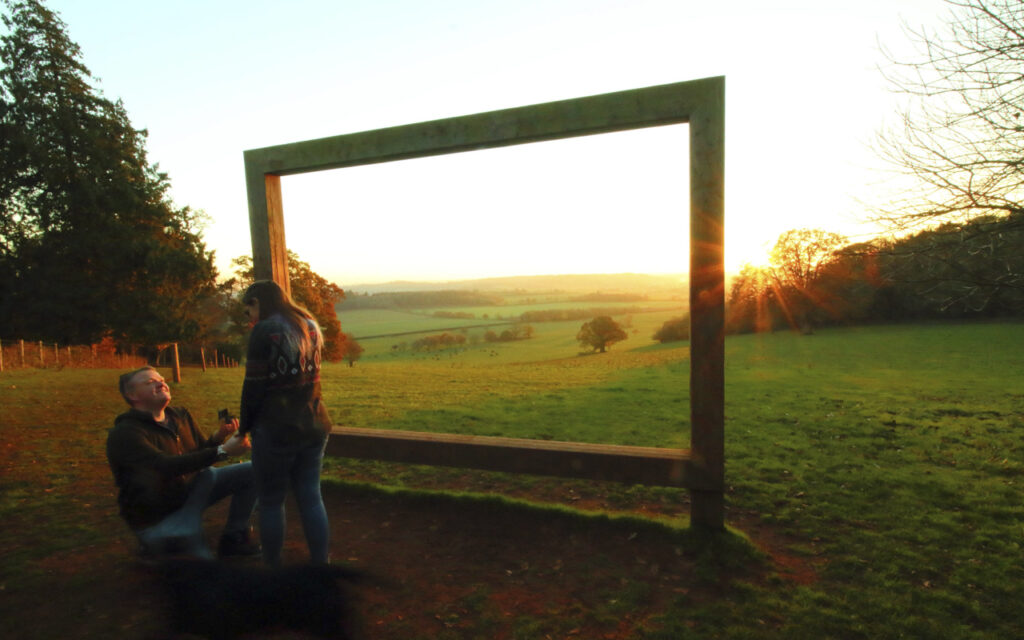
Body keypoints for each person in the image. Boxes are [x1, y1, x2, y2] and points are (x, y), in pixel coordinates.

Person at [106, 366, 260, 559]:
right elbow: (165, 467)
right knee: (201, 566)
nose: (161, 383)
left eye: (162, 379)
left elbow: (198, 454)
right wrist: (223, 451)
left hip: (192, 492)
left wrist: (219, 436)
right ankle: (154, 545)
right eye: (150, 382)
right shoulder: (125, 433)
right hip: (160, 515)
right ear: (132, 395)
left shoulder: (180, 415)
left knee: (255, 470)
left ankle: (234, 537)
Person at [240, 280, 332, 566]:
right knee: (311, 497)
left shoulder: (264, 330)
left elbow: (253, 387)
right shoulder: (309, 324)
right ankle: (321, 564)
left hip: (276, 429)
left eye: (248, 310)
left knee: (270, 501)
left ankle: (273, 567)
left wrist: (243, 428)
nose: (249, 318)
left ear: (257, 302)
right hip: (315, 423)